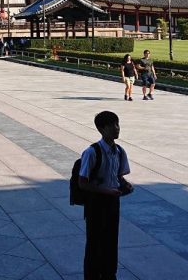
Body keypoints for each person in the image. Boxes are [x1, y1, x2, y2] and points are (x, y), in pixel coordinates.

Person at [78, 111, 132, 280]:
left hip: (113, 202)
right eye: (112, 125)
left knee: (111, 240)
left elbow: (118, 176)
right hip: (96, 203)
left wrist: (125, 185)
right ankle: (92, 275)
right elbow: (82, 182)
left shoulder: (120, 151)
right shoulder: (92, 152)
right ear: (101, 129)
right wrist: (106, 191)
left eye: (117, 124)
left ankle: (109, 273)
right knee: (95, 241)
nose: (116, 129)